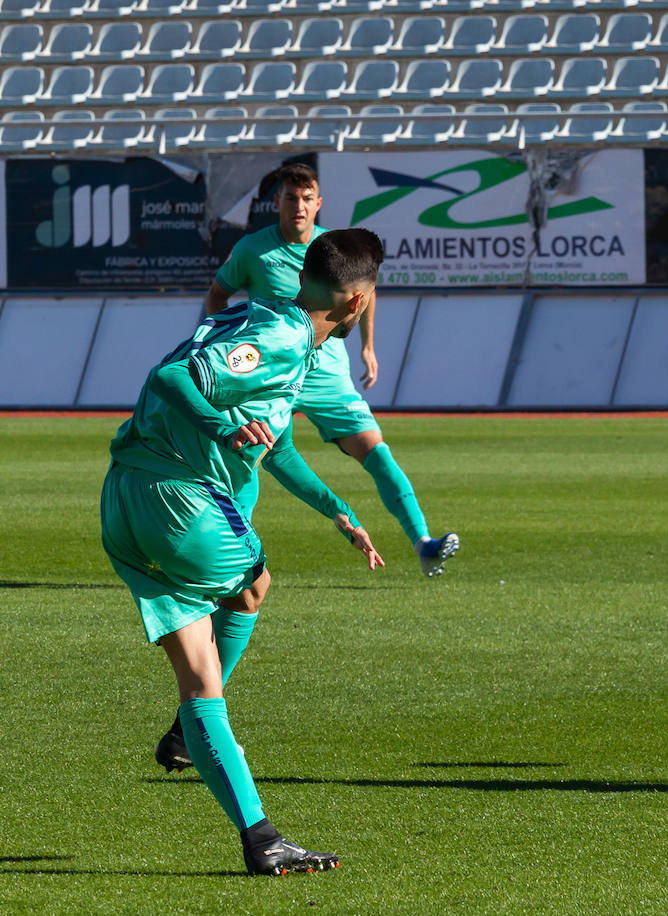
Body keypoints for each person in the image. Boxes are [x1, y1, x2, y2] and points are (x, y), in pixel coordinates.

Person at [102, 229, 387, 874]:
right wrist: (224, 425)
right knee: (253, 584)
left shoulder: (272, 323)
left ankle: (260, 840)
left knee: (200, 682)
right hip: (177, 501)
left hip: (124, 502)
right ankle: (190, 738)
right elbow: (171, 377)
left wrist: (338, 511)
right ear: (359, 301)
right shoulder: (281, 341)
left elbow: (278, 446)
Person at [206, 162, 459, 578]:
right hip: (275, 372)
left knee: (377, 453)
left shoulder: (334, 247)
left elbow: (365, 291)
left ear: (319, 203)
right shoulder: (253, 250)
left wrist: (369, 348)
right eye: (291, 198)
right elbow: (218, 294)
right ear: (278, 203)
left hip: (327, 374)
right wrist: (222, 341)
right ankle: (228, 560)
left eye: (307, 199)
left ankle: (424, 543)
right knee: (253, 458)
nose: (299, 207)